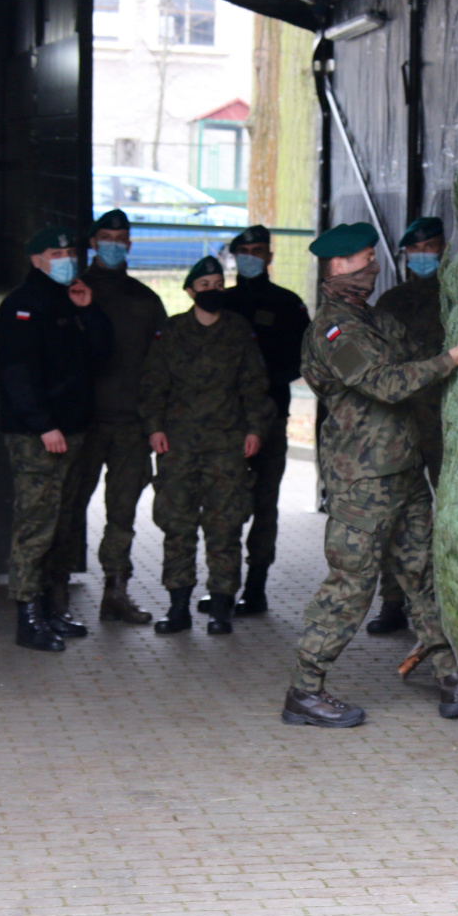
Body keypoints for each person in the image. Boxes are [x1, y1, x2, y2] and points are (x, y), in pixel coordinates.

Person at [282, 222, 458, 728]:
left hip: (402, 468)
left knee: (423, 577)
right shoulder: (335, 330)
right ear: (338, 266)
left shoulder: (375, 319)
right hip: (363, 480)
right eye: (364, 259)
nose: (374, 267)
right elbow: (385, 383)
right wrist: (454, 358)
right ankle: (305, 691)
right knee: (351, 584)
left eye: (374, 258)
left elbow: (420, 356)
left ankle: (452, 678)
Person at [139, 255, 274, 637]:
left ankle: (220, 609)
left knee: (225, 528)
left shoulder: (238, 330)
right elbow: (153, 385)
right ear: (189, 291)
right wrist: (153, 428)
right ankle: (178, 608)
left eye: (218, 285)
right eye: (204, 286)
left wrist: (255, 430)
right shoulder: (172, 331)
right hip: (178, 446)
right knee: (177, 528)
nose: (213, 291)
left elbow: (254, 385)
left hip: (227, 446)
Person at [0, 226, 113, 652]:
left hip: (75, 431)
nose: (66, 260)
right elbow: (17, 372)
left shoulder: (71, 301)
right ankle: (27, 615)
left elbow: (102, 355)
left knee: (63, 524)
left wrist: (90, 310)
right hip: (38, 436)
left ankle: (51, 607)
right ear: (36, 259)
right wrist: (43, 424)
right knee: (36, 525)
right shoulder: (21, 306)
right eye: (56, 253)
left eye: (69, 253)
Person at [195, 225, 309, 617]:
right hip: (224, 423)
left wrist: (260, 385)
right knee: (222, 505)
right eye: (243, 251)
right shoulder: (221, 303)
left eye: (257, 250)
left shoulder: (287, 304)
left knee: (264, 504)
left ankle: (256, 588)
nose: (250, 257)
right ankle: (223, 587)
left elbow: (302, 360)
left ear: (269, 256)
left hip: (270, 418)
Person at [65, 208, 168, 625]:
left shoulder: (145, 300)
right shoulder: (72, 291)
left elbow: (161, 367)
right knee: (68, 508)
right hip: (83, 424)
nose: (113, 244)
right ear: (93, 243)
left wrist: (154, 422)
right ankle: (53, 593)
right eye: (105, 237)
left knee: (122, 515)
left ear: (129, 244)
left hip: (130, 426)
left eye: (120, 239)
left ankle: (116, 593)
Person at [366, 216, 447, 636]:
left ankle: (448, 603)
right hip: (401, 422)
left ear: (444, 249)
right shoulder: (391, 302)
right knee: (394, 514)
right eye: (414, 250)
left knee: (450, 512)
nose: (422, 255)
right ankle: (392, 602)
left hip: (449, 424)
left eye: (429, 247)